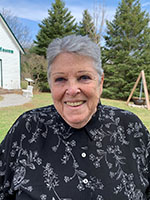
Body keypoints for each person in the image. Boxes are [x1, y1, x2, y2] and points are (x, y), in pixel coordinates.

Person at [0, 34, 150, 200]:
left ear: (100, 83)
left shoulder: (130, 127)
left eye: (84, 77)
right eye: (60, 79)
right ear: (50, 84)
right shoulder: (27, 129)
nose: (72, 90)